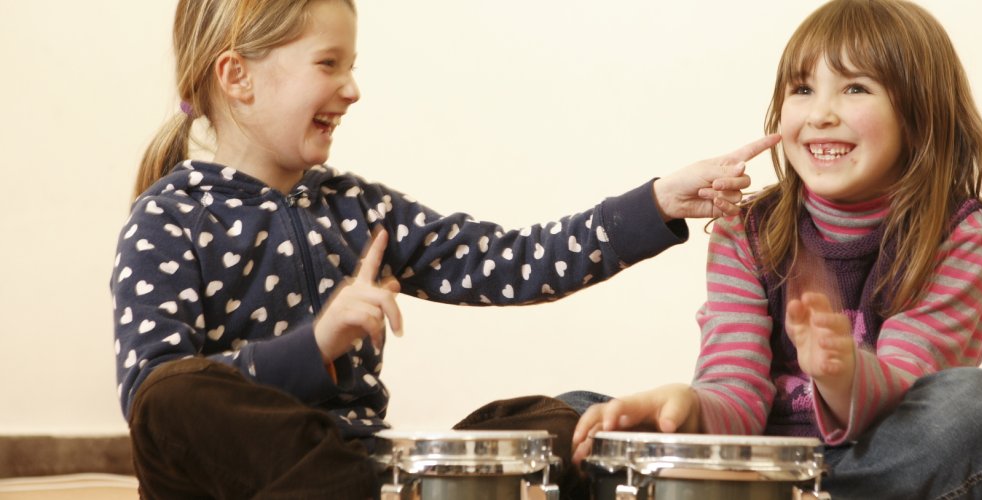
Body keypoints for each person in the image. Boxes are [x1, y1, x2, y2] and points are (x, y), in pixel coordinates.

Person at [111, 0, 779, 497]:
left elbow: (515, 261)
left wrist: (658, 201)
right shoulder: (166, 220)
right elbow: (151, 400)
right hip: (240, 483)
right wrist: (315, 346)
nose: (352, 89)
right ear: (237, 77)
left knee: (556, 417)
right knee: (175, 399)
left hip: (363, 468)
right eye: (328, 64)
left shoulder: (362, 209)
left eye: (352, 65)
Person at [568, 0, 982, 498]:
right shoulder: (744, 230)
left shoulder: (960, 235)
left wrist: (842, 373)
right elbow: (735, 393)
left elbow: (904, 394)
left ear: (918, 114)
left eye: (855, 88)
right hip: (755, 462)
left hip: (869, 460)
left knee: (980, 406)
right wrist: (690, 407)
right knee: (570, 413)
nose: (821, 114)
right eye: (803, 89)